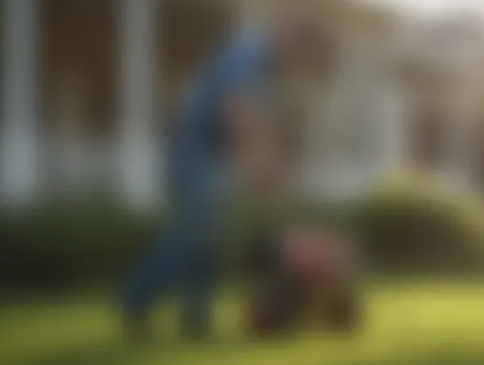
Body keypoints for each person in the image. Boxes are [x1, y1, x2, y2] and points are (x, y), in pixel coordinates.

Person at [122, 17, 329, 341]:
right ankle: (135, 301)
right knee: (193, 236)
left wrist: (267, 163)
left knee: (210, 242)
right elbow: (238, 112)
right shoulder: (249, 56)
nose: (300, 63)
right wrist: (262, 162)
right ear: (291, 38)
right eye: (303, 54)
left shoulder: (265, 68)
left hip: (213, 155)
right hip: (194, 150)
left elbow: (256, 121)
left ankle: (196, 321)